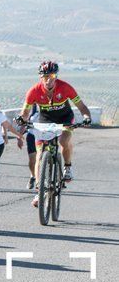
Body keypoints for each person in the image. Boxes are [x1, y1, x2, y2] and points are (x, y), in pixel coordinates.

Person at [19, 60, 92, 206]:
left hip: (65, 118)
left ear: (56, 76)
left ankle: (68, 168)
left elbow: (82, 106)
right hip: (45, 120)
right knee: (40, 153)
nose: (48, 79)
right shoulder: (34, 91)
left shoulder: (65, 87)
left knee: (63, 141)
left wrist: (86, 117)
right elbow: (25, 112)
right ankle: (40, 191)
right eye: (45, 76)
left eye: (51, 75)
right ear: (40, 77)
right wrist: (22, 120)